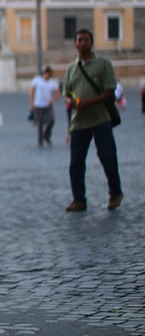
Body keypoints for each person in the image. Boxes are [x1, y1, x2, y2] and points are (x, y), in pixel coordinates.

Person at [63, 29, 123, 212]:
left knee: (107, 157)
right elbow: (67, 93)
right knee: (76, 162)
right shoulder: (71, 68)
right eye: (79, 40)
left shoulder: (103, 63)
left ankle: (115, 192)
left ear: (92, 42)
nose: (82, 43)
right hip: (79, 121)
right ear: (75, 43)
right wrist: (72, 100)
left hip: (100, 118)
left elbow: (110, 90)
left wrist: (89, 102)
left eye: (86, 40)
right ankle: (79, 199)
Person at [29, 66, 61, 147]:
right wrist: (32, 103)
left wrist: (53, 100)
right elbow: (32, 91)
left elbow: (58, 93)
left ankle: (46, 135)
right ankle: (40, 141)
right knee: (40, 123)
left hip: (47, 105)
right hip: (39, 104)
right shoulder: (37, 80)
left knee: (51, 120)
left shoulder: (51, 83)